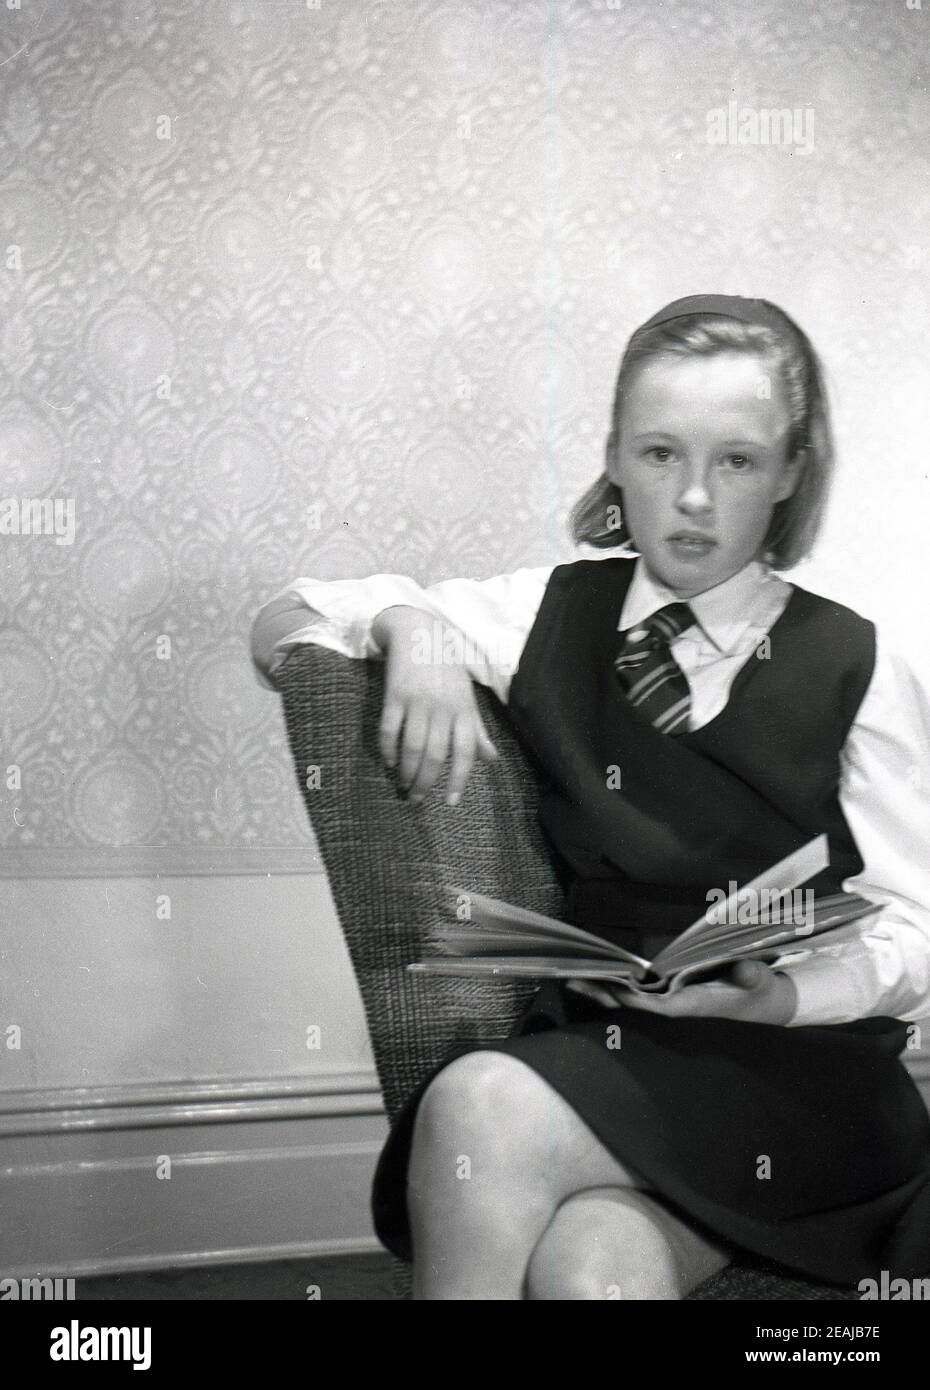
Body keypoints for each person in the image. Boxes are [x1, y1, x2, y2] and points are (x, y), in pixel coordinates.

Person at [251, 294, 930, 1300]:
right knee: (587, 1272)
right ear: (614, 457)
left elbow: (915, 931)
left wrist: (780, 995)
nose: (693, 495)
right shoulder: (548, 613)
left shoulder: (860, 662)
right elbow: (284, 629)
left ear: (790, 470)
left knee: (479, 1104)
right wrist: (410, 621)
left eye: (736, 460)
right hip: (611, 1052)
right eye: (660, 454)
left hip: (800, 1072)